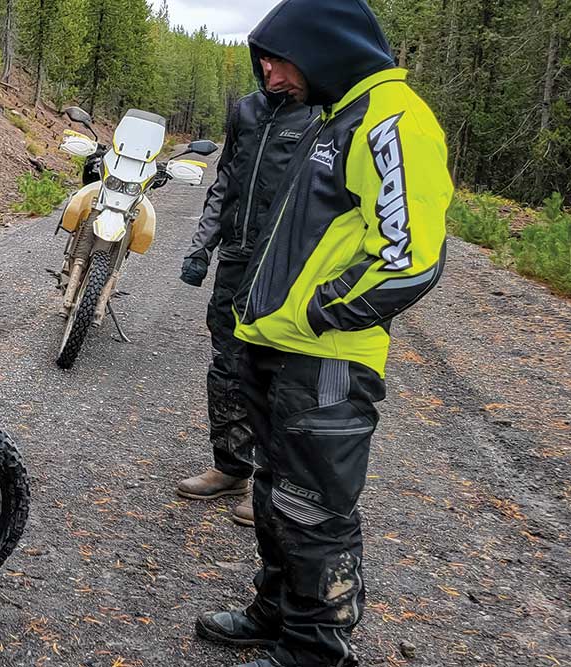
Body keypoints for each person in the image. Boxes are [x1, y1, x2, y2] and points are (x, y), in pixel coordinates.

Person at [194, 1, 453, 665]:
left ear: (323, 45)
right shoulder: (339, 118)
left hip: (327, 358)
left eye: (278, 58)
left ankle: (315, 648)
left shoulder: (391, 118)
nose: (271, 75)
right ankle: (274, 611)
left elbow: (410, 257)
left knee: (315, 507)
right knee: (276, 491)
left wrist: (318, 311)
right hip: (279, 347)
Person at [177, 41, 315, 527]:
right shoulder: (247, 111)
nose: (270, 70)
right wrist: (201, 247)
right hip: (236, 259)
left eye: (282, 59)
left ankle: (274, 486)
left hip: (287, 267)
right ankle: (231, 467)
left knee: (279, 376)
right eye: (264, 60)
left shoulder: (324, 112)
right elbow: (225, 182)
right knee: (228, 366)